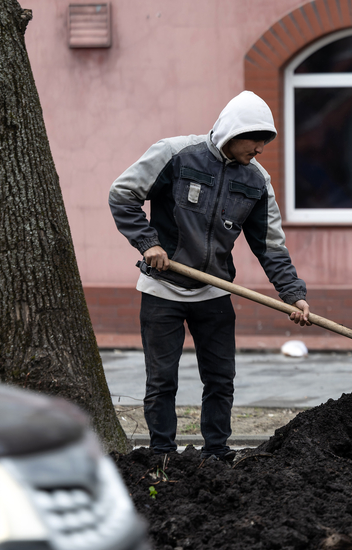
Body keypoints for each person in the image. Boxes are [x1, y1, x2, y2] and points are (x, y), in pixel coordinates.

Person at [109, 91, 311, 461]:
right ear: (236, 131)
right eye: (256, 140)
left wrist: (292, 295)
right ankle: (161, 456)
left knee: (220, 380)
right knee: (161, 381)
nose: (260, 149)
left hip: (214, 293)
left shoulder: (256, 181)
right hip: (161, 289)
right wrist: (148, 243)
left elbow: (270, 246)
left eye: (265, 142)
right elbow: (122, 194)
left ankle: (217, 454)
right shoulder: (174, 154)